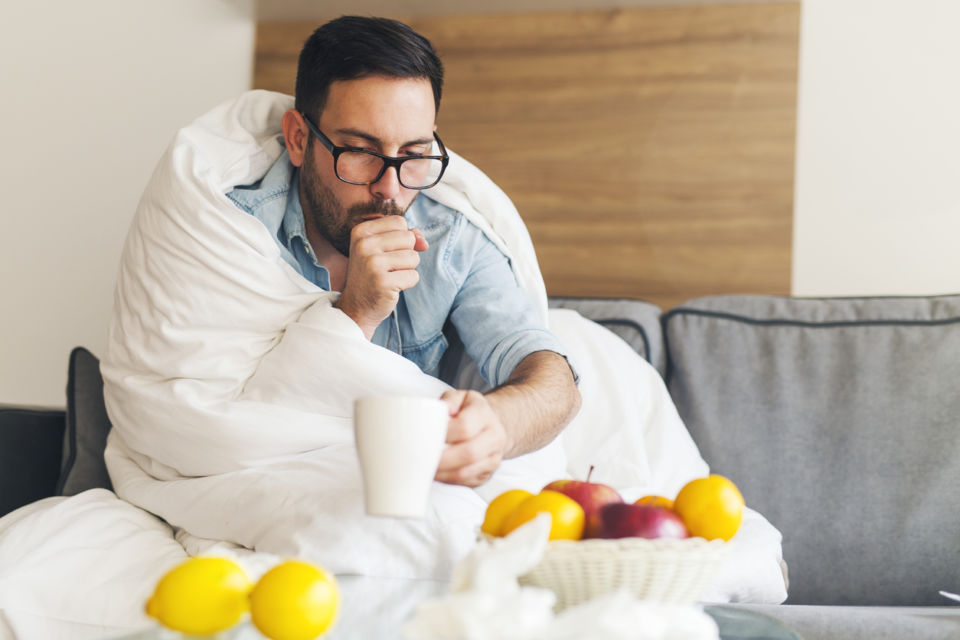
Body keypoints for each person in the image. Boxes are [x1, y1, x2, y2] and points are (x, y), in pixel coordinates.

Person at [224, 15, 580, 488]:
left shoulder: (453, 239)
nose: (389, 189)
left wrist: (497, 425)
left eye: (413, 154)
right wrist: (357, 311)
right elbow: (216, 420)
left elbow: (554, 382)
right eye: (360, 151)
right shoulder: (233, 230)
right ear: (299, 139)